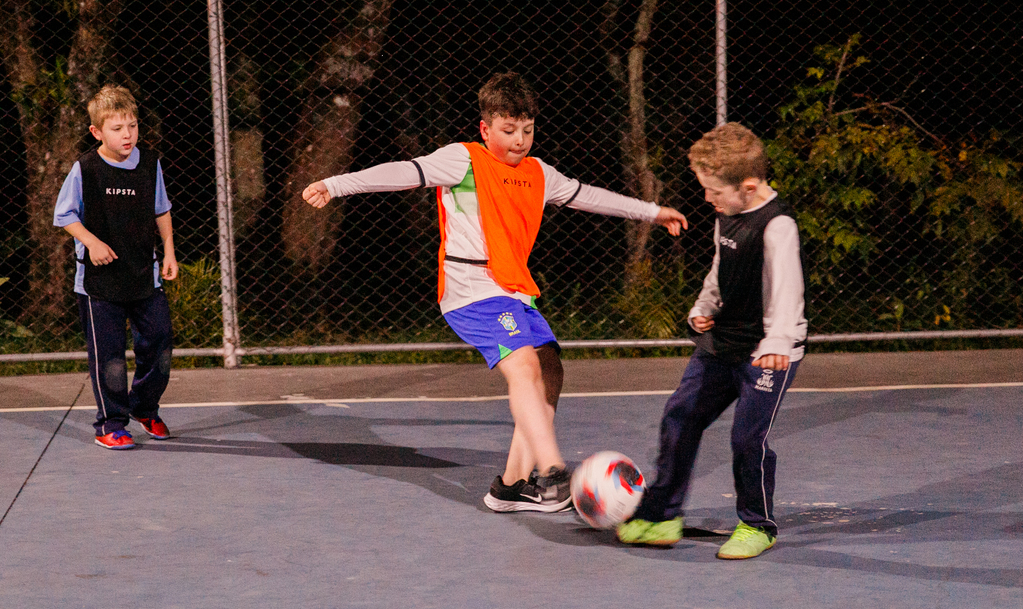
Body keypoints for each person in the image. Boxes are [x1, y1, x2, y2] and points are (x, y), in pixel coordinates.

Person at [303, 72, 688, 512]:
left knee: (550, 368)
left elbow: (591, 197)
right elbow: (401, 174)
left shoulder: (540, 173)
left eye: (527, 130)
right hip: (472, 290)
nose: (520, 140)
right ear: (486, 129)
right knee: (523, 364)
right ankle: (551, 472)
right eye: (508, 131)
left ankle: (509, 487)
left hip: (514, 292)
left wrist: (652, 212)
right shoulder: (462, 160)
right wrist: (335, 184)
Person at [616, 122, 806, 559]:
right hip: (722, 343)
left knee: (746, 439)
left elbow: (787, 290)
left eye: (714, 191)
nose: (707, 199)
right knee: (680, 417)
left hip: (767, 354)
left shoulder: (777, 226)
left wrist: (777, 341)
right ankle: (661, 516)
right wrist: (705, 307)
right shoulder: (729, 210)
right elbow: (721, 268)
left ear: (750, 185)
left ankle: (757, 524)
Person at [53, 85, 179, 450]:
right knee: (109, 360)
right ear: (97, 132)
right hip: (98, 284)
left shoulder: (150, 163)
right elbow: (64, 215)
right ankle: (110, 423)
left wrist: (168, 252)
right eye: (117, 128)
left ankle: (144, 406)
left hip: (144, 275)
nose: (127, 135)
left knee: (160, 345)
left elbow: (162, 209)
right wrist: (91, 242)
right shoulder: (86, 169)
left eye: (133, 126)